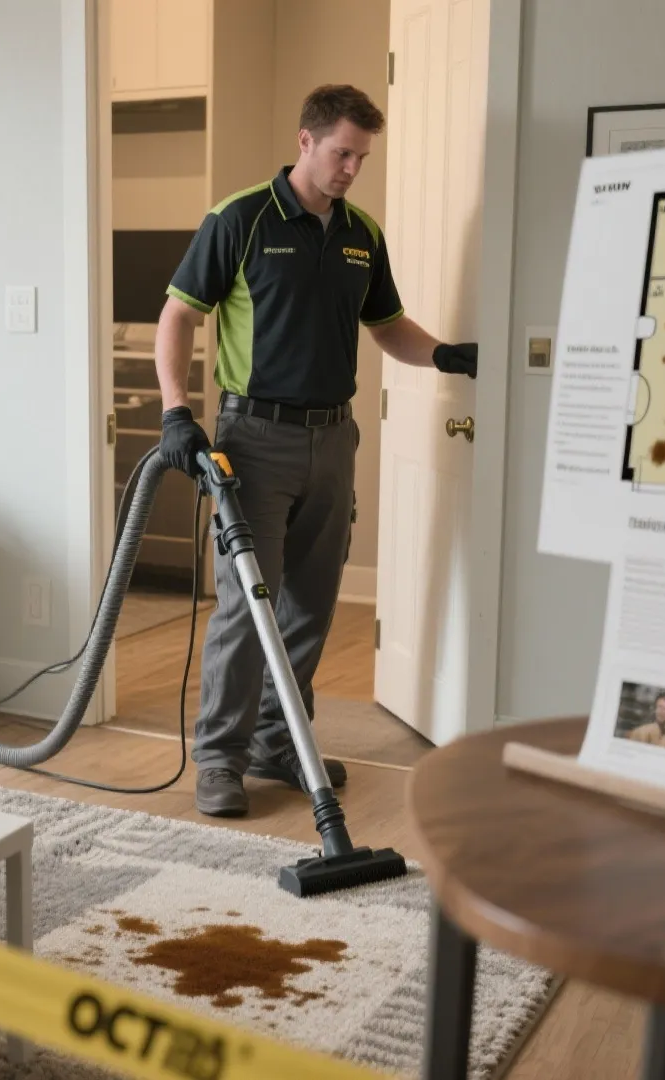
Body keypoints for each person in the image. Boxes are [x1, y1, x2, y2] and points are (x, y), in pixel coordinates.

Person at [153, 84, 479, 818]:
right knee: (248, 607)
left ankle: (278, 741)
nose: (351, 169)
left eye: (362, 157)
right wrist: (177, 412)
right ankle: (220, 760)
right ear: (305, 142)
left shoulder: (362, 232)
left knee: (308, 605)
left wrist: (449, 356)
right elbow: (178, 317)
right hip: (253, 441)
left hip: (334, 438)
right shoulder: (239, 219)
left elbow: (388, 326)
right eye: (341, 153)